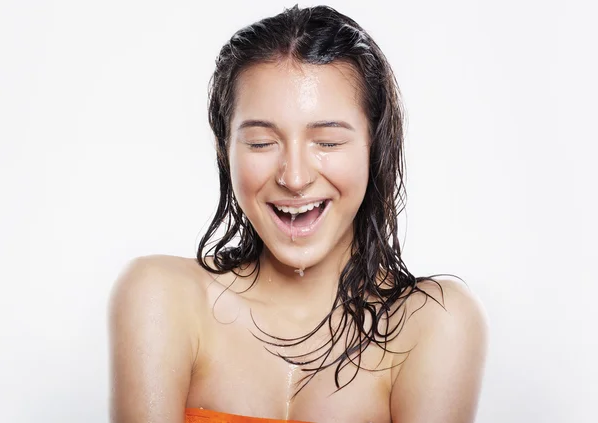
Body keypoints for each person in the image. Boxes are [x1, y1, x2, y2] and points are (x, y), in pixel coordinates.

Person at [108, 5, 488, 423]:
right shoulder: (162, 298)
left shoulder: (432, 324)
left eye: (326, 141)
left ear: (374, 146)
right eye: (260, 143)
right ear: (224, 149)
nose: (294, 177)